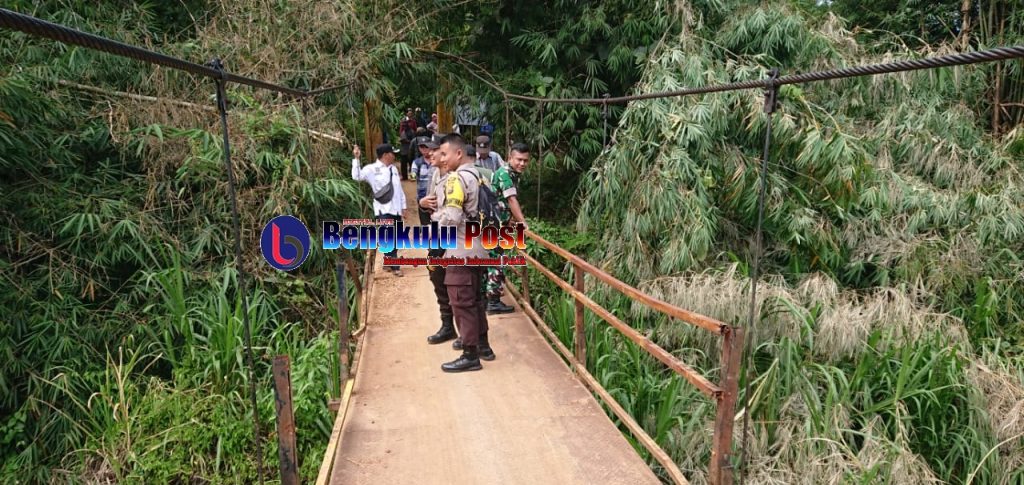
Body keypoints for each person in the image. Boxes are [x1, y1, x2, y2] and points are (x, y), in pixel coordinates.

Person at [432, 134, 495, 372]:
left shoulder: (456, 179)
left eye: (445, 153)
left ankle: (470, 355)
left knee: (461, 302)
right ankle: (484, 346)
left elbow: (452, 218)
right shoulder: (481, 175)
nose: (442, 158)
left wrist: (435, 216)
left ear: (458, 153)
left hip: (460, 250)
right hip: (480, 248)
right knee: (476, 300)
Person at [419, 134, 457, 345]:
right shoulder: (435, 174)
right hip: (436, 232)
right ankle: (448, 325)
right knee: (436, 276)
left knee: (456, 281)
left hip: (452, 234)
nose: (429, 153)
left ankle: (468, 333)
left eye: (434, 150)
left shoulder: (455, 177)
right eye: (428, 149)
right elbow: (430, 206)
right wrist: (422, 204)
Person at [485, 143, 530, 314]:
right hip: (495, 225)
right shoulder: (504, 174)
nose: (522, 163)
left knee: (495, 259)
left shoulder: (511, 174)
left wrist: (510, 219)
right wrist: (523, 223)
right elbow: (511, 199)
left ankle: (487, 297)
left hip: (498, 222)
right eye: (519, 159)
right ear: (510, 158)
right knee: (497, 260)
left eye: (525, 160)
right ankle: (493, 302)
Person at [351, 143, 406, 277]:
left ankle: (387, 260)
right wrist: (356, 159)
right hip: (383, 209)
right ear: (386, 155)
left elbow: (398, 189)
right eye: (392, 153)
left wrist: (403, 207)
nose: (394, 156)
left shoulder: (393, 169)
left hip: (396, 208)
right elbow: (357, 176)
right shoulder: (372, 169)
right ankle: (395, 266)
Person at [412, 136, 437, 224]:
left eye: (426, 146)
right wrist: (413, 175)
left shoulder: (437, 161)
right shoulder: (417, 162)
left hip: (435, 195)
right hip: (422, 195)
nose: (424, 149)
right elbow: (413, 173)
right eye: (421, 147)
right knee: (425, 222)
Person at [398, 109, 418, 180]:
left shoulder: (411, 131)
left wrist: (407, 141)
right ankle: (404, 177)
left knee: (412, 164)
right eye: (403, 125)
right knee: (403, 164)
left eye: (404, 125)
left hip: (410, 150)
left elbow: (414, 141)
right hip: (403, 150)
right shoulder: (403, 132)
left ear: (407, 125)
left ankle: (413, 177)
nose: (403, 126)